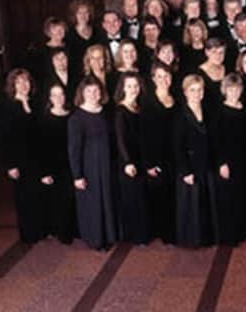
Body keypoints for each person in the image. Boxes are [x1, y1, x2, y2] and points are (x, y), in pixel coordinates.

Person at [68, 75, 117, 250]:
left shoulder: (106, 113)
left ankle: (108, 236)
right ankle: (95, 240)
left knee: (107, 201)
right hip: (90, 167)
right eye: (88, 91)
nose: (93, 94)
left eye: (96, 90)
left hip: (107, 165)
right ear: (82, 93)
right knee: (93, 203)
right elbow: (74, 149)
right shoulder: (77, 118)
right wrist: (77, 175)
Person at [0, 69, 43, 243]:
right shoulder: (7, 107)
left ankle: (40, 229)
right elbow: (4, 138)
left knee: (37, 194)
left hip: (36, 158)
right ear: (13, 85)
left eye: (26, 81)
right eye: (18, 82)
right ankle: (28, 233)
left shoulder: (36, 103)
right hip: (19, 160)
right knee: (23, 197)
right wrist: (10, 165)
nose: (23, 85)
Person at [172, 74, 214, 247]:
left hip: (205, 164)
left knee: (204, 202)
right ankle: (192, 240)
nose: (197, 94)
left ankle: (205, 237)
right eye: (192, 90)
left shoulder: (207, 111)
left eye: (199, 90)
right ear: (185, 92)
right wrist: (186, 171)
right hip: (189, 166)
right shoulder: (180, 115)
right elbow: (178, 147)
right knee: (191, 204)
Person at [140, 62, 177, 244]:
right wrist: (148, 163)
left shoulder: (177, 98)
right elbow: (143, 135)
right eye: (160, 76)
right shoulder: (147, 102)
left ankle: (174, 231)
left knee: (173, 194)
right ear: (153, 79)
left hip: (174, 154)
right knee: (160, 196)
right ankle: (163, 234)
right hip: (156, 156)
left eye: (167, 76)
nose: (164, 79)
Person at [213, 74, 246, 245]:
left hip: (245, 158)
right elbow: (216, 141)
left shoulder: (245, 108)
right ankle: (230, 235)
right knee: (229, 198)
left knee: (243, 195)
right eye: (230, 89)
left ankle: (243, 231)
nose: (234, 92)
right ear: (225, 90)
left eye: (237, 88)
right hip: (228, 161)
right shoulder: (219, 112)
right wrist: (222, 163)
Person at [114, 72, 149, 244]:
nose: (133, 89)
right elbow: (120, 139)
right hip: (128, 161)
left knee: (140, 197)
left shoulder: (139, 107)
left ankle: (142, 233)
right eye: (129, 86)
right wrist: (128, 162)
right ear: (123, 88)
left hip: (140, 157)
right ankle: (133, 236)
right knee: (131, 198)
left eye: (136, 86)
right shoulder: (120, 110)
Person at [38, 84, 75, 243]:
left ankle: (73, 230)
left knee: (72, 198)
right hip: (54, 166)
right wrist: (44, 173)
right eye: (55, 95)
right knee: (59, 201)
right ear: (50, 98)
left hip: (71, 163)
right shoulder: (44, 119)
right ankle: (62, 233)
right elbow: (40, 148)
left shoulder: (72, 115)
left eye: (61, 94)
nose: (58, 98)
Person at [66, 0, 97, 78]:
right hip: (76, 75)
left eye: (86, 12)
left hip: (95, 72)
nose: (83, 16)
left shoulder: (97, 31)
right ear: (74, 15)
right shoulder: (68, 34)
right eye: (79, 13)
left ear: (90, 14)